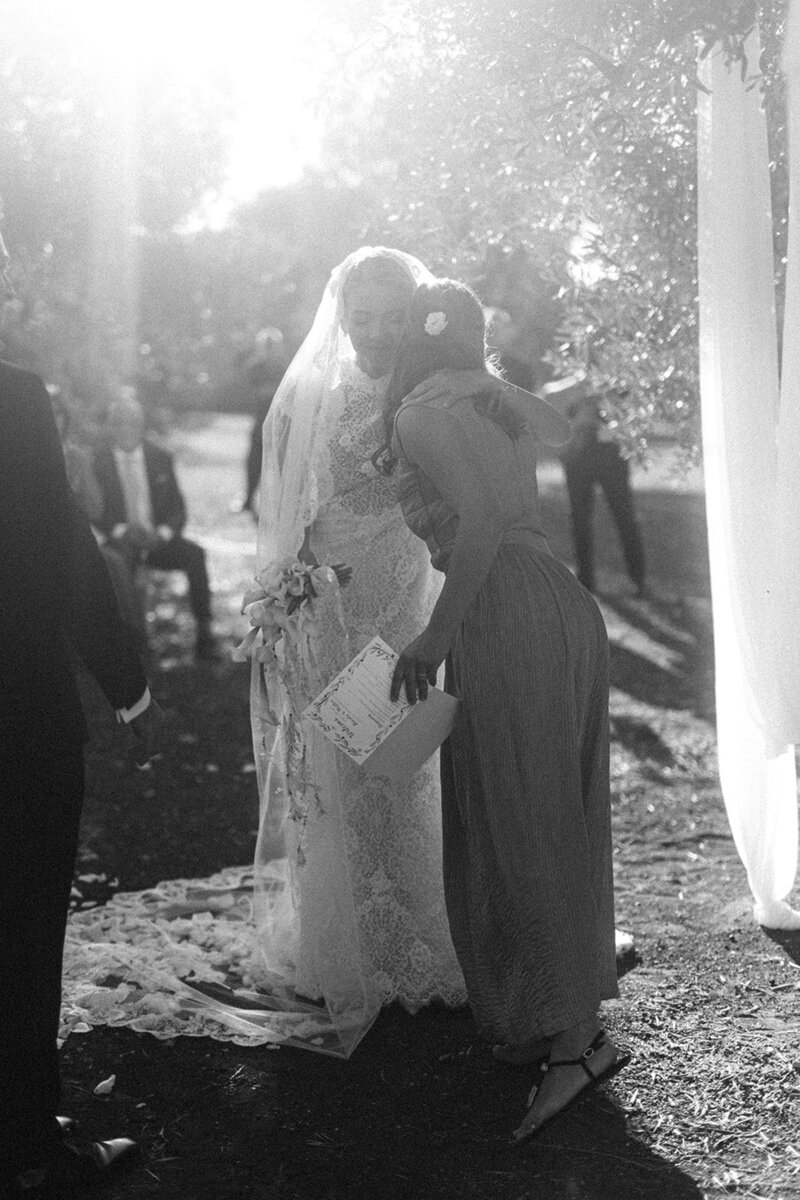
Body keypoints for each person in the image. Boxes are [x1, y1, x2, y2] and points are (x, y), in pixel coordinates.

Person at [384, 279, 629, 1141]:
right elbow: (558, 427)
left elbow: (483, 520)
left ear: (412, 341)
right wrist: (486, 377)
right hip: (560, 603)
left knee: (521, 820)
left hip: (505, 609)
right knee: (542, 812)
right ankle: (550, 1012)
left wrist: (433, 637)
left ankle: (577, 1043)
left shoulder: (419, 413)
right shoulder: (484, 400)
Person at [0, 349, 164, 1195]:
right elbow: (62, 546)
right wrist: (129, 692)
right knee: (24, 924)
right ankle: (25, 1137)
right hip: (18, 719)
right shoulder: (13, 395)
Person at [93, 392, 217, 660]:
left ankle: (205, 632)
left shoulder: (160, 457)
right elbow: (95, 511)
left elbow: (177, 509)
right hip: (121, 542)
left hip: (156, 538)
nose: (126, 429)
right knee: (115, 570)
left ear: (141, 425)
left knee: (195, 555)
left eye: (132, 422)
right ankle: (133, 643)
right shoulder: (98, 461)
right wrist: (121, 531)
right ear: (111, 426)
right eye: (119, 422)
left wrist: (162, 533)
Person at [543, 374, 647, 597]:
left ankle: (638, 578)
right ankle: (586, 580)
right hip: (579, 456)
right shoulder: (568, 388)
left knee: (623, 514)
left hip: (610, 453)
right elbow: (549, 403)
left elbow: (630, 410)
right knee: (580, 518)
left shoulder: (615, 385)